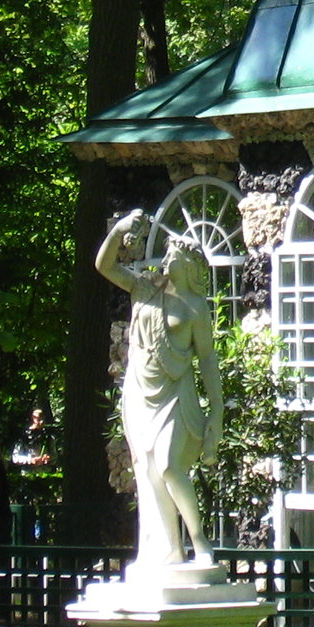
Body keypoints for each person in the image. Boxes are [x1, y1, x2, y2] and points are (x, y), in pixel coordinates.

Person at [95, 211, 222, 573]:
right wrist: (118, 230)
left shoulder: (196, 308)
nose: (165, 262)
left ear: (188, 266)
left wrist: (217, 411)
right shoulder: (144, 288)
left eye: (173, 258)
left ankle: (200, 543)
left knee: (168, 466)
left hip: (175, 392)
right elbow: (104, 266)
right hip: (140, 390)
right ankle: (170, 549)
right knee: (148, 472)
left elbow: (208, 361)